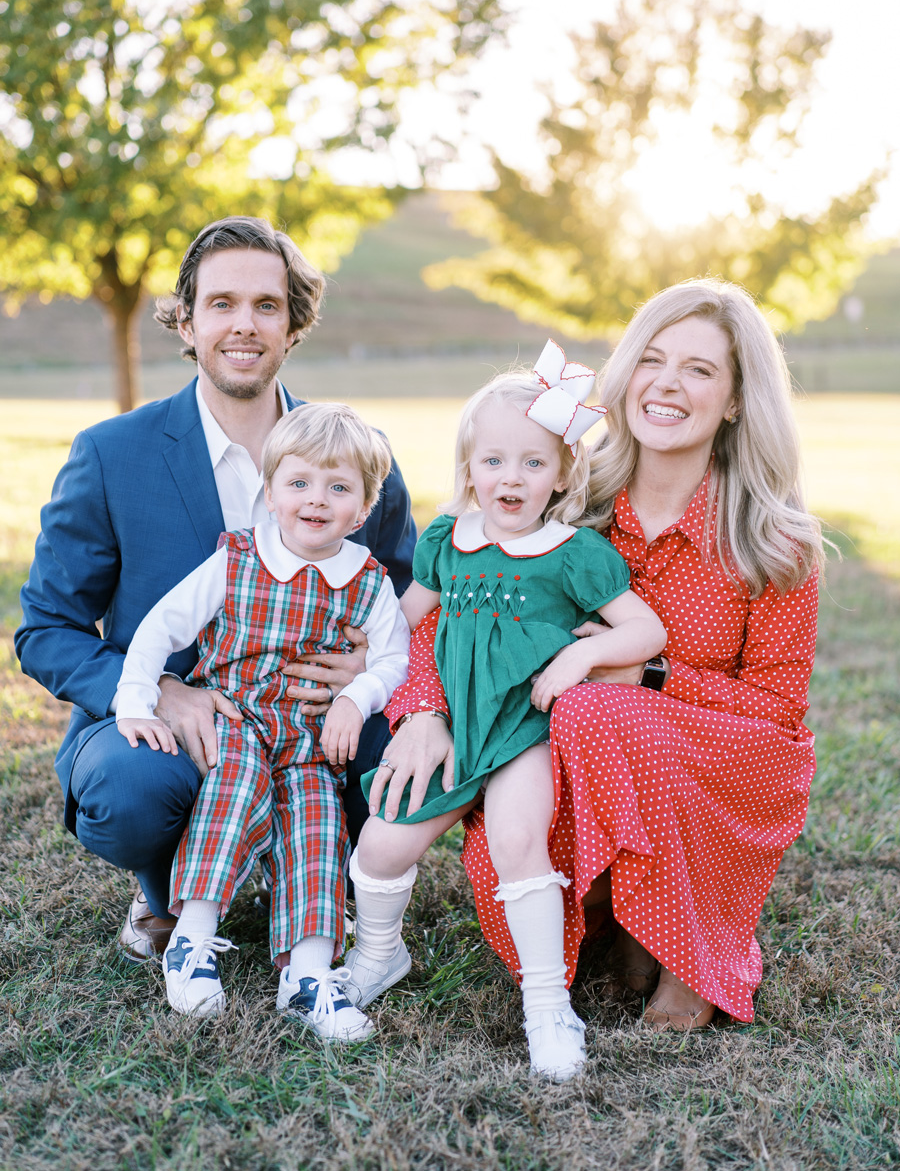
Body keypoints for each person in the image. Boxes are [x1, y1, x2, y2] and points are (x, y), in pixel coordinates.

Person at [375, 279, 823, 1034]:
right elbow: (444, 609)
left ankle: (689, 951)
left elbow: (778, 712)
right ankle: (612, 913)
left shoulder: (773, 542)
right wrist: (422, 708)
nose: (667, 384)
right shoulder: (560, 503)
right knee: (574, 722)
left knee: (598, 707)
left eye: (701, 369)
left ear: (739, 399)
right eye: (651, 359)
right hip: (566, 757)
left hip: (722, 757)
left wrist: (647, 676)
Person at [15, 217, 416, 965]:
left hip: (313, 719)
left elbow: (409, 601)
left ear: (294, 324)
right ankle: (162, 891)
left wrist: (367, 672)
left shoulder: (359, 457)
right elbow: (45, 630)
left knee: (405, 755)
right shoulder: (112, 454)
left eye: (267, 305)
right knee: (132, 785)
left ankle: (334, 883)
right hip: (170, 723)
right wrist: (160, 689)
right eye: (221, 303)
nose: (243, 324)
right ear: (188, 321)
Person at [343, 352, 666, 1080]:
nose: (510, 478)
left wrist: (581, 658)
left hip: (527, 729)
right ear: (468, 467)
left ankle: (549, 1005)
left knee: (522, 841)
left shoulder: (573, 554)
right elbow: (400, 624)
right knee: (383, 842)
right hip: (455, 727)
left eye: (531, 462)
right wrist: (361, 656)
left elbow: (646, 633)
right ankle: (377, 955)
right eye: (493, 460)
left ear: (561, 474)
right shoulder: (445, 544)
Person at [115, 403, 409, 1037]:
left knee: (317, 826)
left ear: (362, 509)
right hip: (237, 715)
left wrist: (356, 697)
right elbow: (161, 626)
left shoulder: (368, 582)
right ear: (270, 493)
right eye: (299, 483)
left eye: (339, 487)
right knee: (235, 787)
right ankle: (191, 938)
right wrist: (136, 697)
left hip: (308, 736)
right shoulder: (237, 559)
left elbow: (393, 661)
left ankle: (307, 976)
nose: (316, 500)